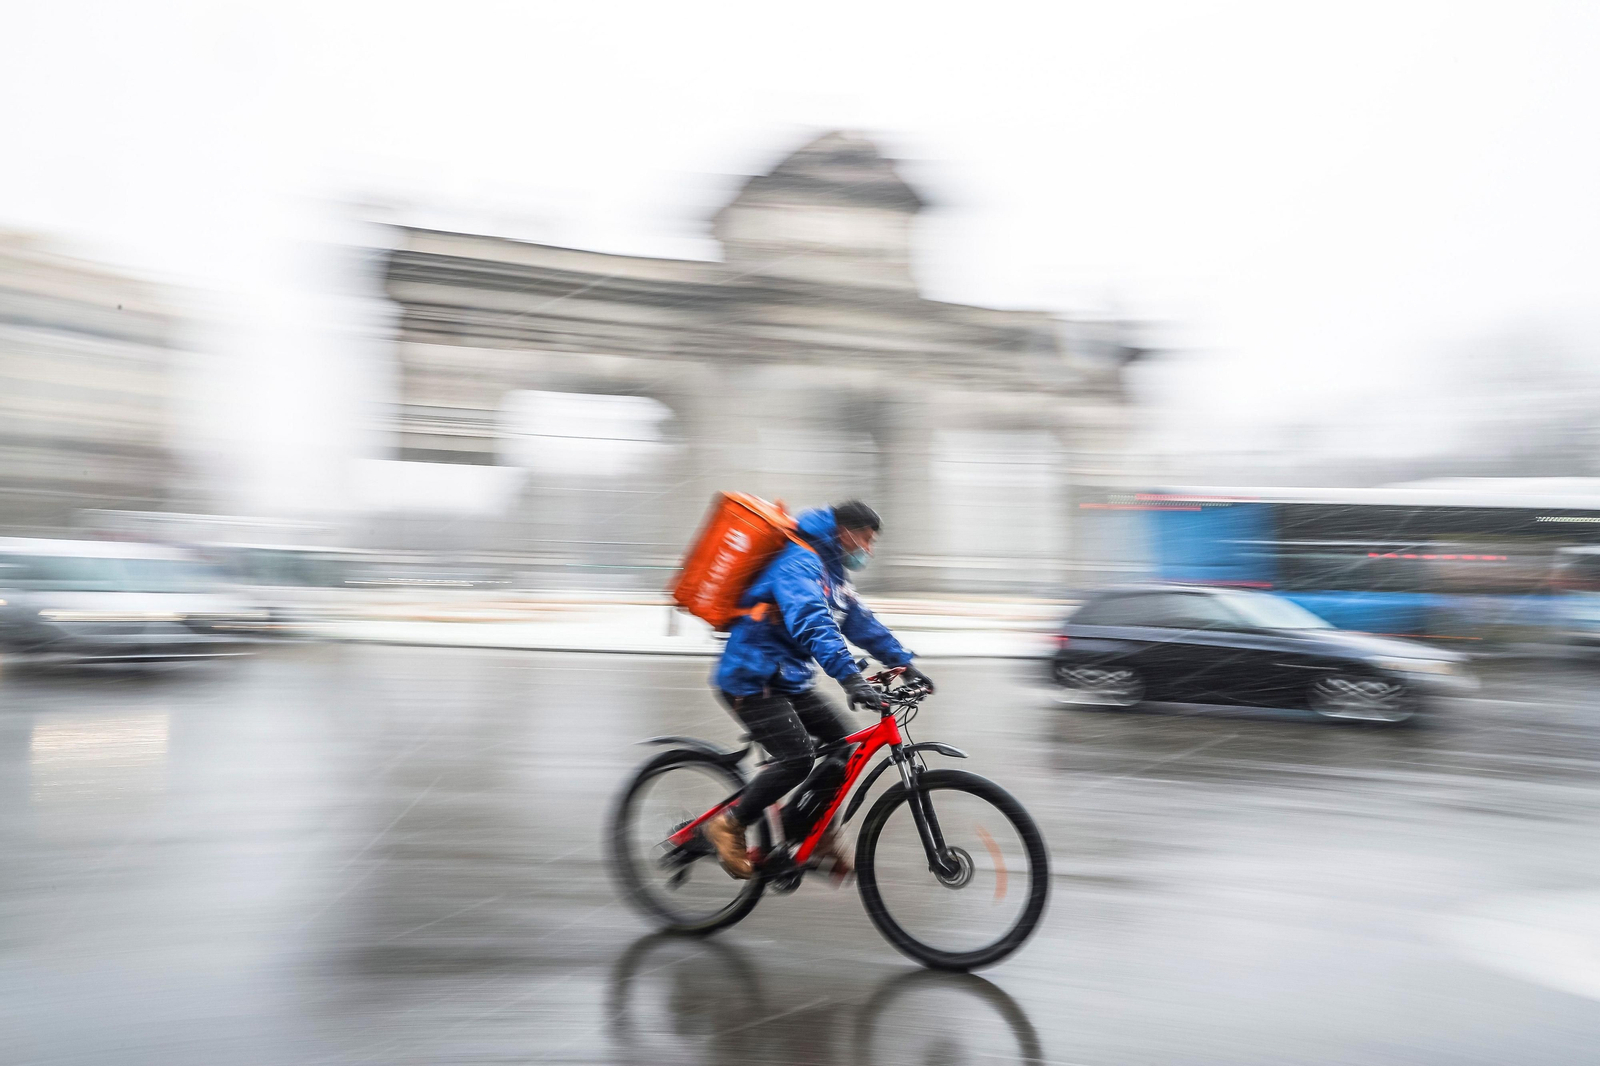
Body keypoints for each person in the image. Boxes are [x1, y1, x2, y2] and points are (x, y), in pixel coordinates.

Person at [703, 499, 934, 880]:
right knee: (797, 758)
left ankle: (810, 830)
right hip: (751, 677)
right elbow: (812, 621)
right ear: (843, 530)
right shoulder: (799, 561)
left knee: (842, 745)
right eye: (865, 538)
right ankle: (728, 825)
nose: (868, 549)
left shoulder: (832, 572)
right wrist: (849, 676)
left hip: (787, 679)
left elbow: (859, 622)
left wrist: (904, 664)